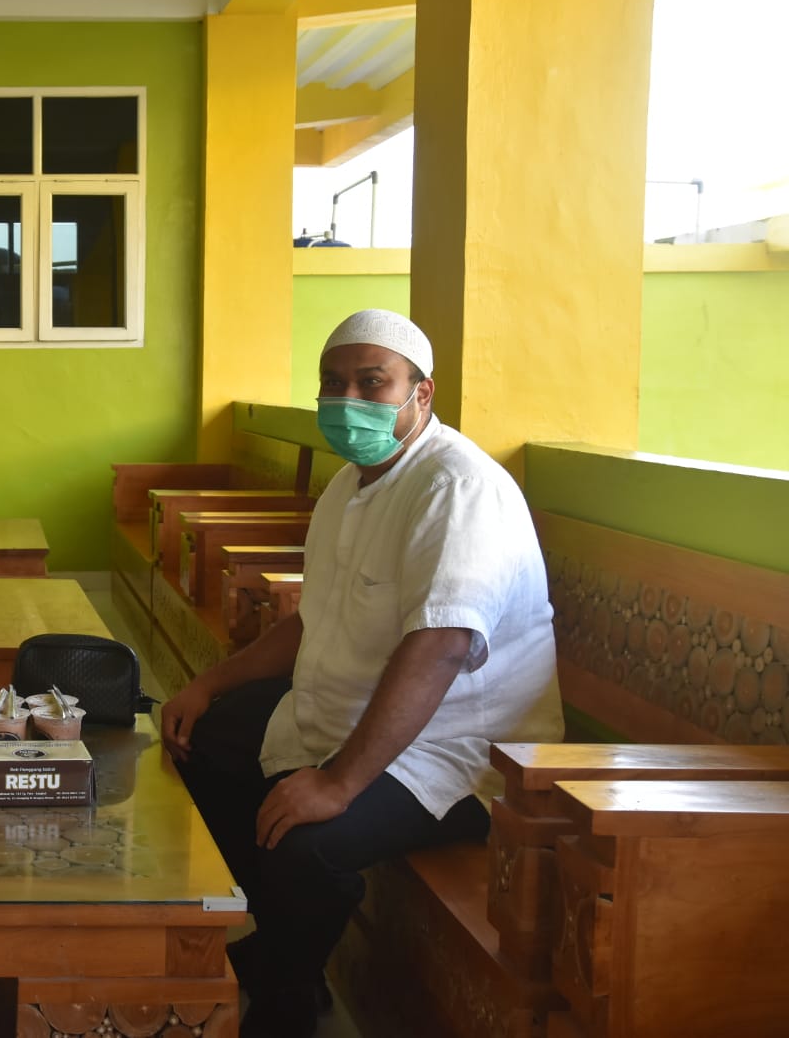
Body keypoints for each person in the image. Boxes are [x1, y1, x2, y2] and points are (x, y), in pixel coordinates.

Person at [160, 309, 563, 1038]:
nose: (348, 400)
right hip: (356, 709)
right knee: (203, 739)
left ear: (421, 394)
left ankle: (283, 1003)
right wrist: (208, 685)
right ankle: (288, 954)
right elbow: (312, 620)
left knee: (307, 844)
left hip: (457, 749)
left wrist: (338, 782)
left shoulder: (458, 488)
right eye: (333, 382)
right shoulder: (350, 487)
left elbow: (440, 648)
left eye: (372, 382)